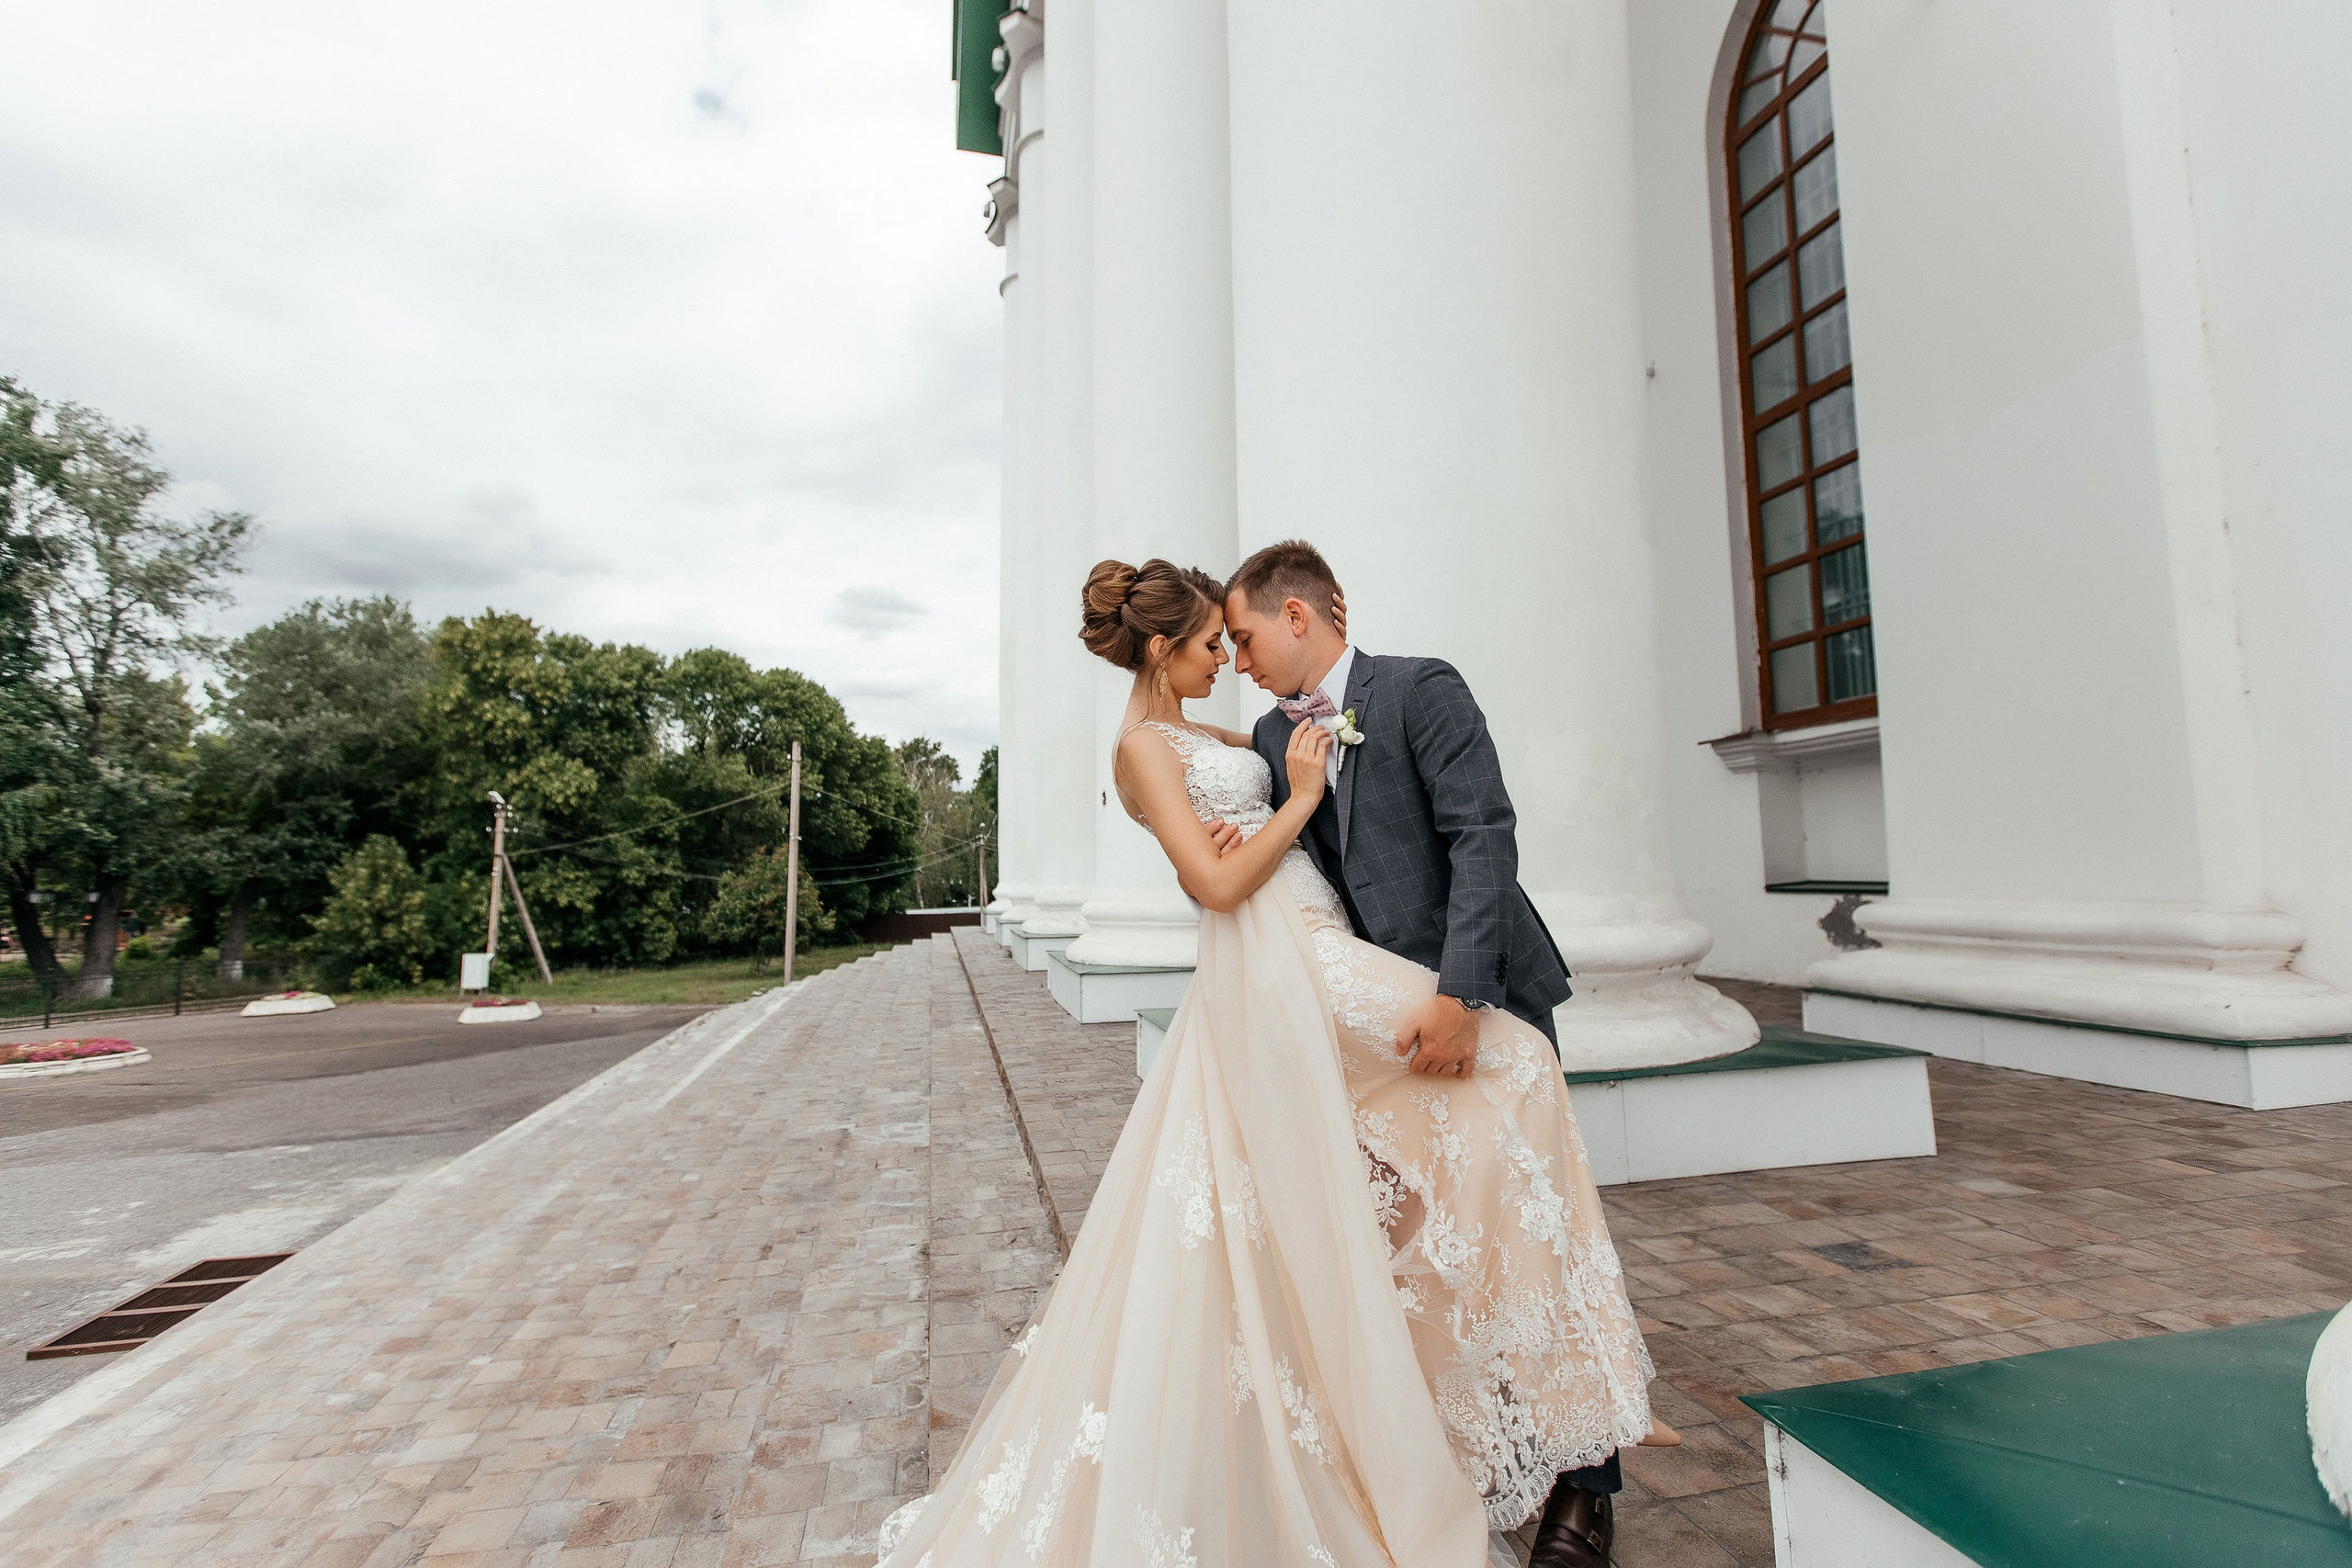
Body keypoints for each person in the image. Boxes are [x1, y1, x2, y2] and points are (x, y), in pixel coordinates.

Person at [876, 557, 1658, 1568]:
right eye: (1214, 646)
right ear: (1166, 649)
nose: (1231, 662)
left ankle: (1584, 1463)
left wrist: (1461, 990)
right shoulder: (1182, 745)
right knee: (1384, 1224)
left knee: (1511, 1157)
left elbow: (1477, 836)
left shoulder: (1397, 693)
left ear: (1294, 615)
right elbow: (1219, 873)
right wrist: (1283, 807)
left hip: (1452, 984)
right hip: (1308, 977)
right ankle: (1479, 1436)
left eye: (1237, 640)